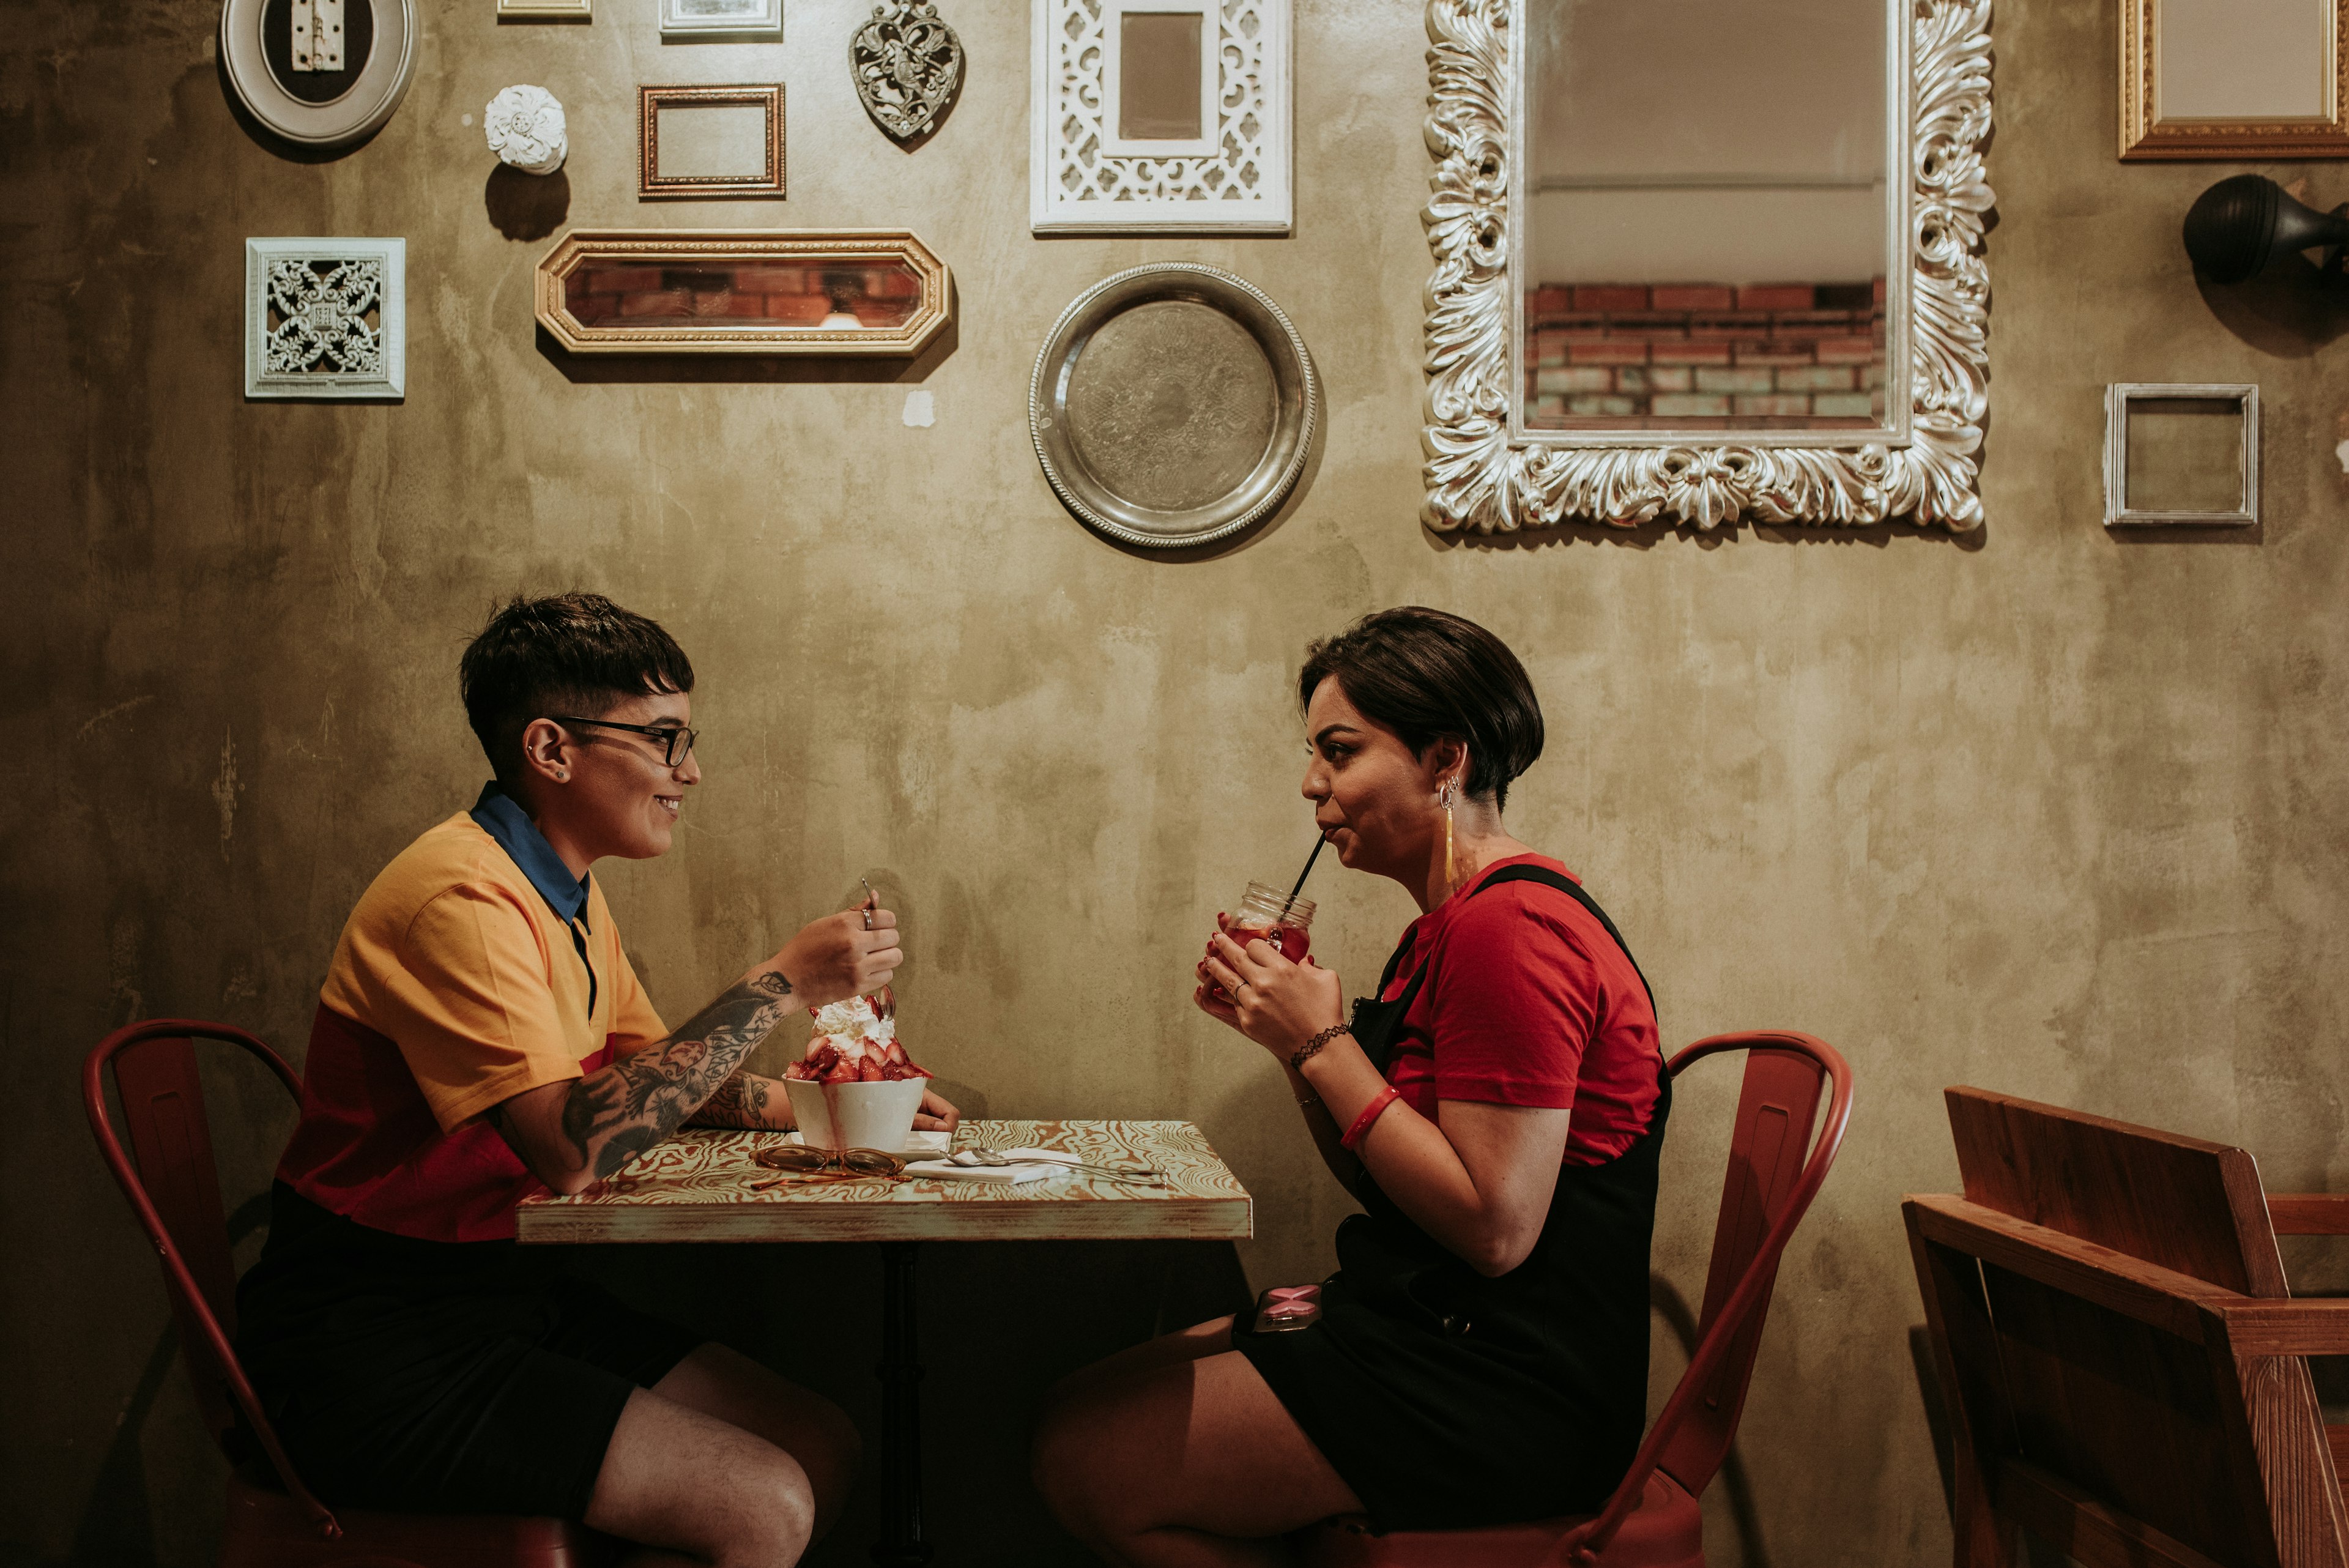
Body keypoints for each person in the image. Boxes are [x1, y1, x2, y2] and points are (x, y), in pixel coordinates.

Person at [236, 591, 958, 1567]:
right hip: (371, 1344)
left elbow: (656, 1083)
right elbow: (576, 1147)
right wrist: (782, 982)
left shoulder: (562, 889)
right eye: (663, 740)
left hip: (505, 1296)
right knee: (762, 1507)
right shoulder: (463, 898)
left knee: (819, 1441)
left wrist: (845, 1109)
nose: (689, 772)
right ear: (550, 749)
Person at [1032, 606, 1666, 1566]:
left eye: (1340, 750)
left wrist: (1327, 1043)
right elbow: (1400, 1185)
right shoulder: (1443, 929)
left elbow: (1494, 1228)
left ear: (1444, 759)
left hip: (1503, 1382)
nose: (1311, 784)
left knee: (1083, 1461)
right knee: (1077, 1402)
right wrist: (1293, 1048)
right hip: (1432, 1325)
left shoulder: (1512, 930)